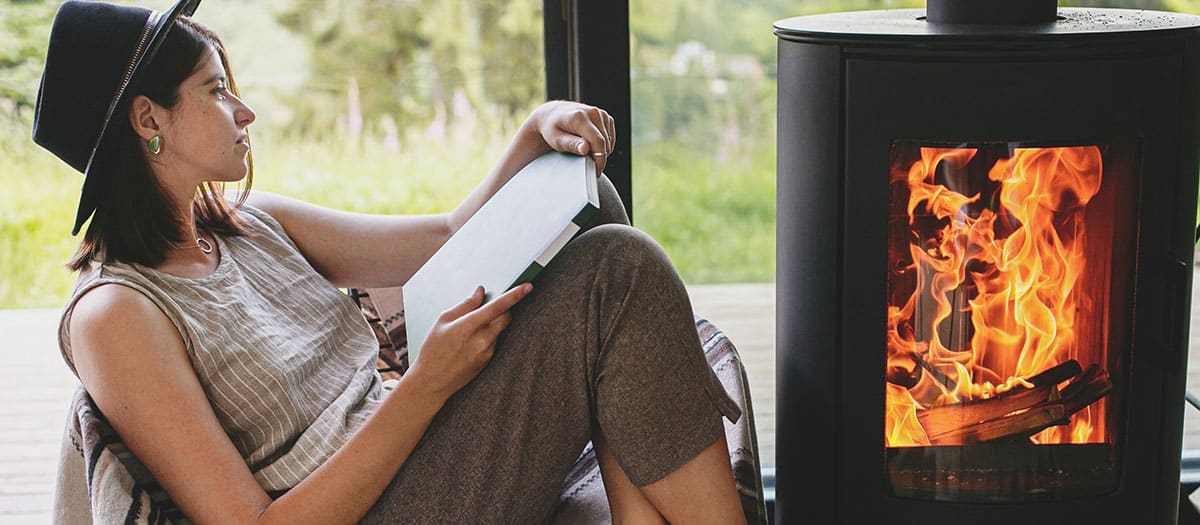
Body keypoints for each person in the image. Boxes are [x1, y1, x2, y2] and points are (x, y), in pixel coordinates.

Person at [35, 1, 747, 523]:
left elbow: (445, 233)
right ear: (148, 119)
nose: (244, 110)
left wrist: (536, 130)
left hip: (421, 446)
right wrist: (425, 386)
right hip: (378, 506)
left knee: (594, 208)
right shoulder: (116, 314)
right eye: (216, 92)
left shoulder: (253, 224)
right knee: (616, 269)